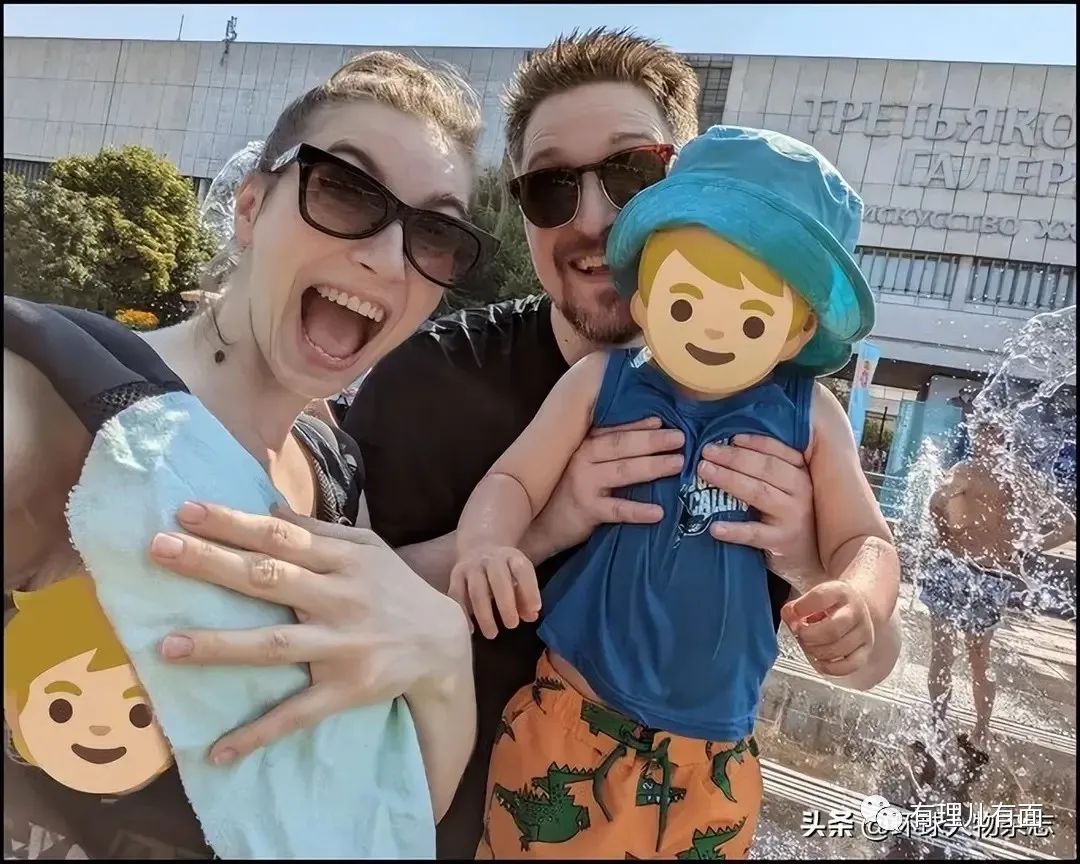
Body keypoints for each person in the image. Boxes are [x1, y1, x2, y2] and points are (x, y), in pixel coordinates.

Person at [343, 27, 901, 857]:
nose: (596, 218)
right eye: (550, 187)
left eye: (631, 172)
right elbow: (340, 607)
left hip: (704, 768)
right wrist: (537, 526)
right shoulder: (433, 381)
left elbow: (873, 641)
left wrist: (820, 574)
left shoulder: (796, 419)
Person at [3, 50, 493, 858]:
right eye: (345, 189)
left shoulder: (333, 472)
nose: (385, 257)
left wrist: (443, 661)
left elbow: (379, 807)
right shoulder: (63, 400)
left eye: (435, 233)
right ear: (250, 207)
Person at [923, 417, 1075, 772]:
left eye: (983, 433)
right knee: (979, 658)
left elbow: (935, 501)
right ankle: (980, 731)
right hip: (991, 575)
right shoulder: (1021, 477)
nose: (982, 440)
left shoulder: (966, 470)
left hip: (954, 568)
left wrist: (943, 530)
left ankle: (938, 726)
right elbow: (1069, 525)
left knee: (943, 653)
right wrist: (1025, 549)